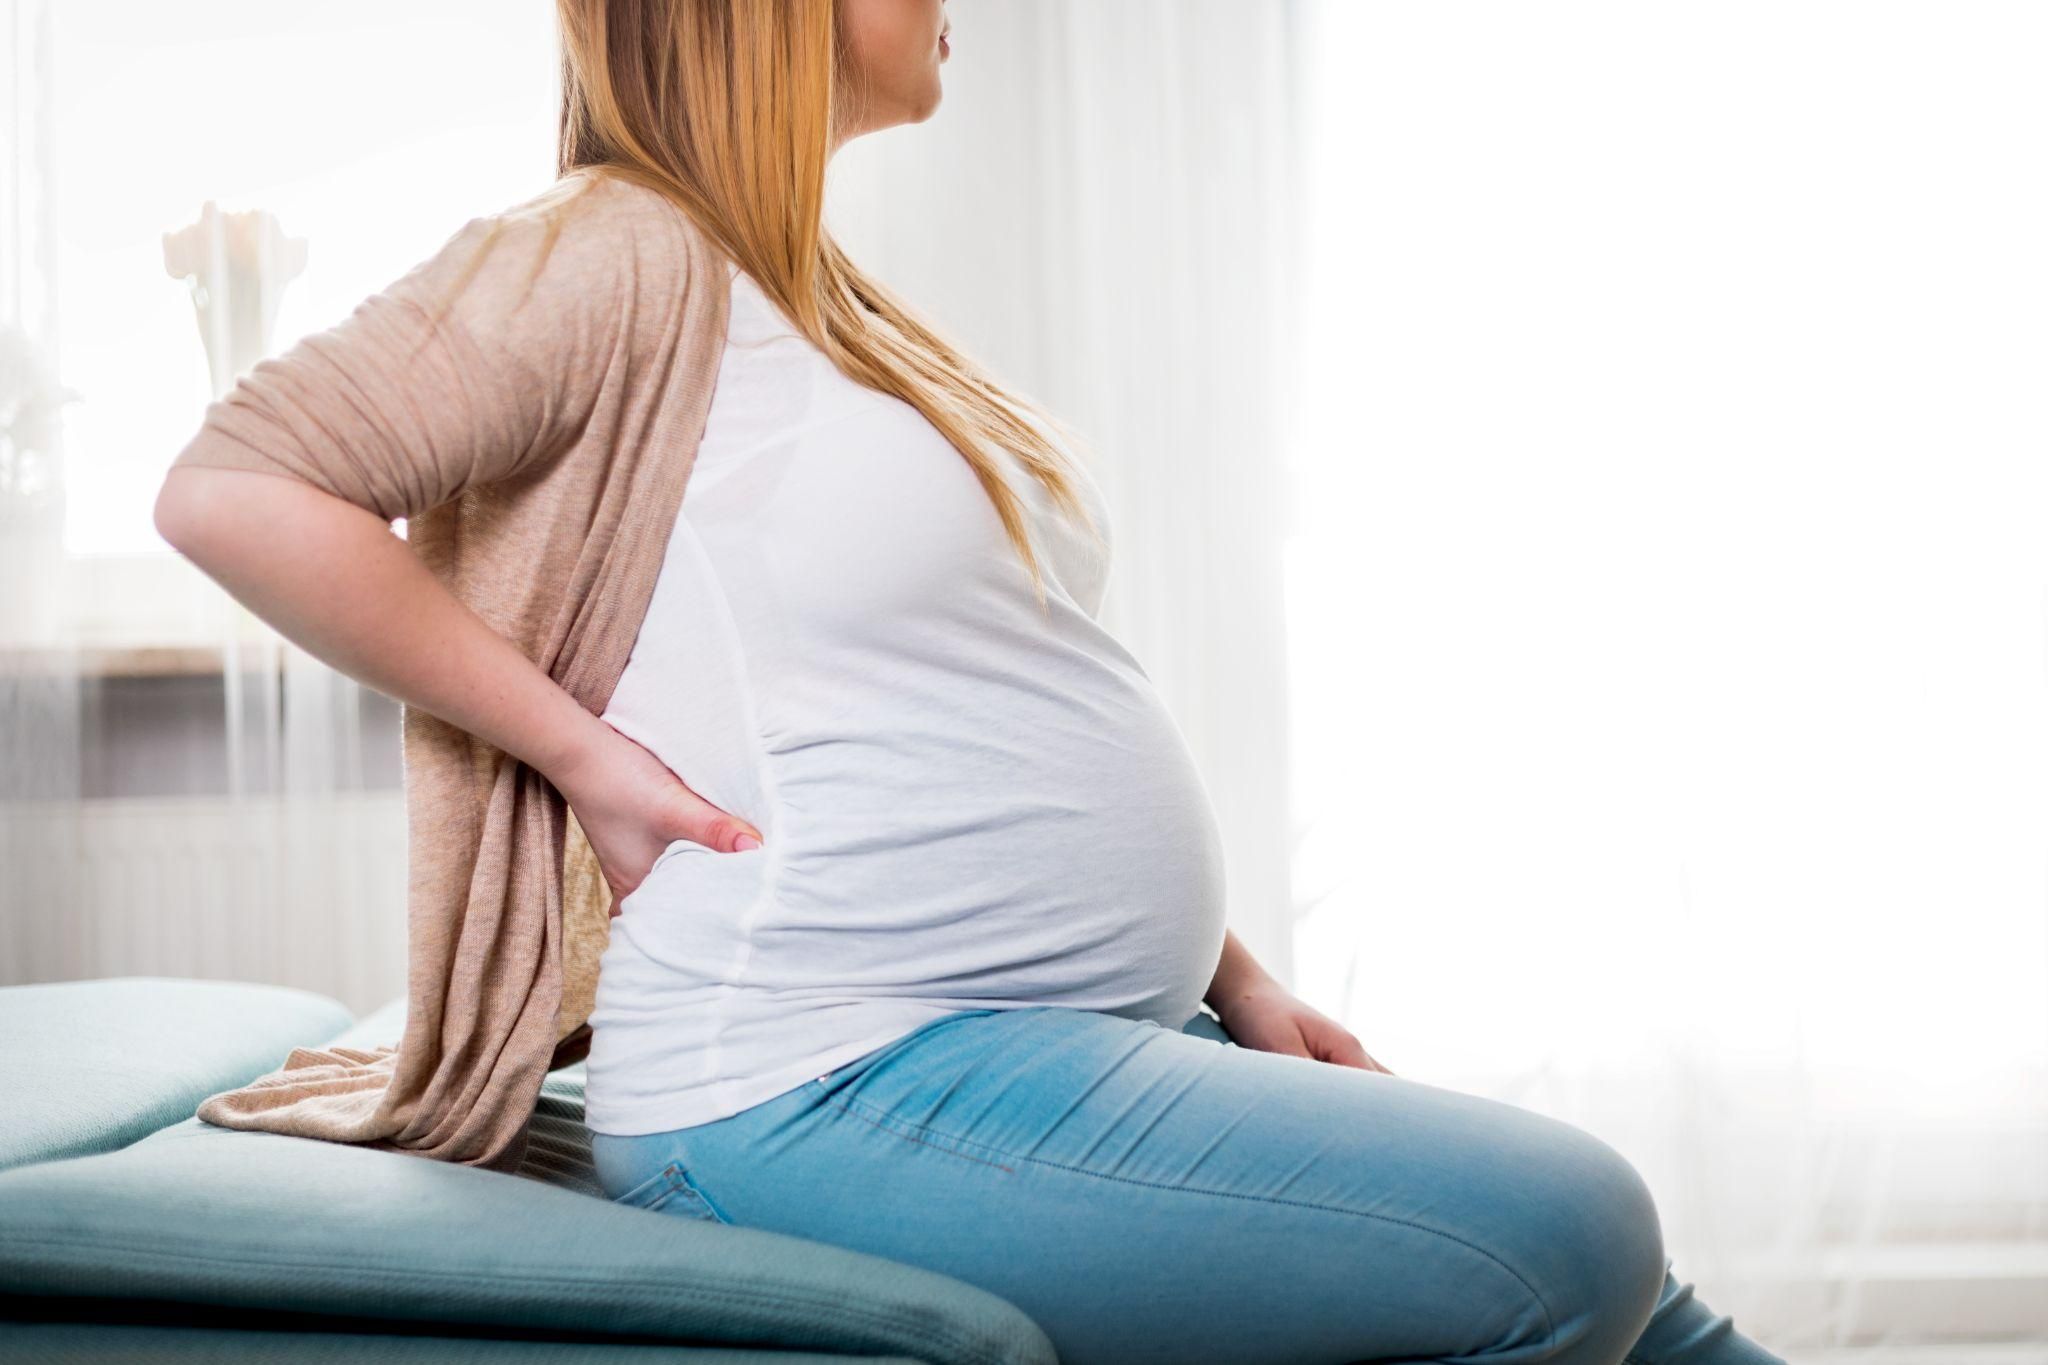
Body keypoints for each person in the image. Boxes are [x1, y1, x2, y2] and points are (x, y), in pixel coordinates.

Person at [156, 2, 1789, 1362]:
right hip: (818, 1075)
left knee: (1668, 1324)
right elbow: (237, 488)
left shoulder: (818, 294)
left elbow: (969, 678)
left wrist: (1227, 973)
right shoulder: (612, 249)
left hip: (1027, 1037)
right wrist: (583, 756)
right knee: (1574, 1230)